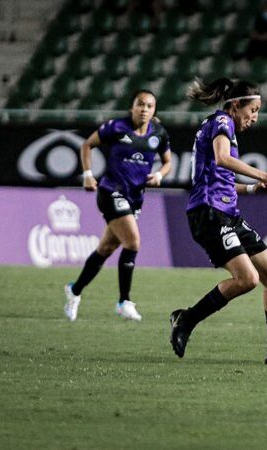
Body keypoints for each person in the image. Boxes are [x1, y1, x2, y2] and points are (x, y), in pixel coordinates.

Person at [169, 77, 267, 366]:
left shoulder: (221, 126)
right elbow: (222, 159)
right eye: (253, 110)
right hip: (208, 213)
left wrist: (250, 188)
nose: (255, 118)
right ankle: (187, 319)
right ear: (236, 106)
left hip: (227, 213)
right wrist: (264, 175)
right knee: (247, 279)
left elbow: (219, 177)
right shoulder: (222, 122)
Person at [64, 89, 172, 322]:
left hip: (135, 197)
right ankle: (124, 302)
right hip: (110, 191)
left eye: (149, 106)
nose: (144, 109)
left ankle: (74, 290)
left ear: (154, 110)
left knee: (105, 249)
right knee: (133, 242)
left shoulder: (159, 133)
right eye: (140, 104)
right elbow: (87, 145)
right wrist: (87, 174)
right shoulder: (116, 127)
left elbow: (167, 162)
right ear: (132, 107)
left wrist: (160, 176)